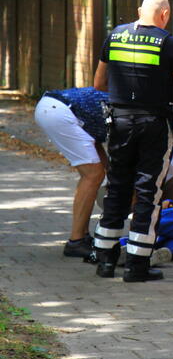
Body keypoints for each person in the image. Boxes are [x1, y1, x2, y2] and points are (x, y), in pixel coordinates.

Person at [93, 0, 173, 283]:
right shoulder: (169, 43)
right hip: (153, 124)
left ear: (139, 11)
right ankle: (137, 265)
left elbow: (98, 83)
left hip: (120, 122)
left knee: (117, 187)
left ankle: (105, 259)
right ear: (165, 14)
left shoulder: (114, 36)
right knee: (148, 191)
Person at [34, 87, 109, 258]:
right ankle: (76, 242)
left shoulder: (131, 104)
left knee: (94, 174)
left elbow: (98, 142)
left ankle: (82, 236)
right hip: (60, 112)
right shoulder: (138, 117)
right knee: (93, 175)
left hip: (55, 107)